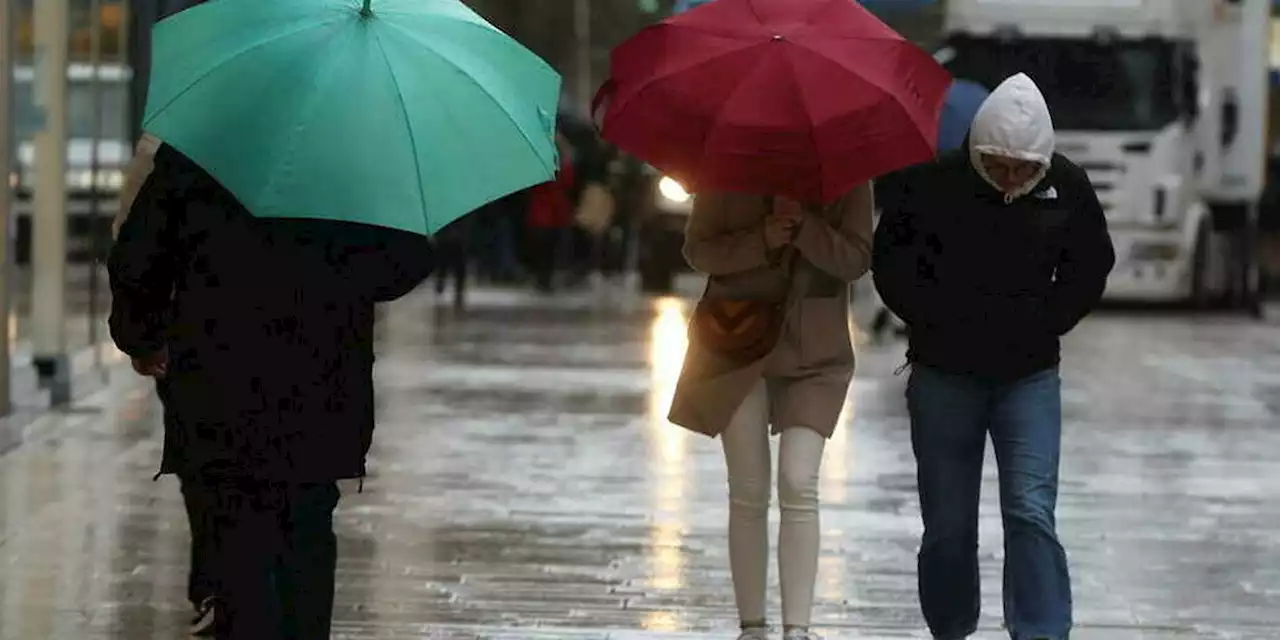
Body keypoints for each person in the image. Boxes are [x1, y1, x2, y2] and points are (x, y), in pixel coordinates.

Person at [109, 144, 434, 639]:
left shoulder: (200, 149)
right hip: (320, 377)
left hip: (218, 377)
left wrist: (143, 336)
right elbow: (406, 261)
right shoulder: (352, 156)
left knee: (234, 526)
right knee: (306, 526)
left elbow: (137, 257)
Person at [872, 73, 1115, 640]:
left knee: (1030, 510)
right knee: (948, 525)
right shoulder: (930, 186)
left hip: (1028, 376)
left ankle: (1040, 630)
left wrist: (1050, 319)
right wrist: (929, 317)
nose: (1011, 180)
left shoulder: (1067, 187)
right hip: (943, 374)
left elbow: (1091, 264)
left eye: (1024, 170)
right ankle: (951, 626)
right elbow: (890, 262)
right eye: (998, 166)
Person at [668, 185, 875, 640]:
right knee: (748, 488)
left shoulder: (848, 174)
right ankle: (753, 627)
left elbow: (856, 260)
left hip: (815, 349)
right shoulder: (727, 168)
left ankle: (797, 629)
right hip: (736, 341)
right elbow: (698, 250)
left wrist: (806, 228)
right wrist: (761, 237)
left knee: (799, 481)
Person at [525, 135, 576, 292]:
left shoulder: (542, 166)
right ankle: (544, 279)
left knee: (547, 249)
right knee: (548, 250)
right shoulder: (558, 168)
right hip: (551, 213)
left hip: (548, 213)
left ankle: (543, 279)